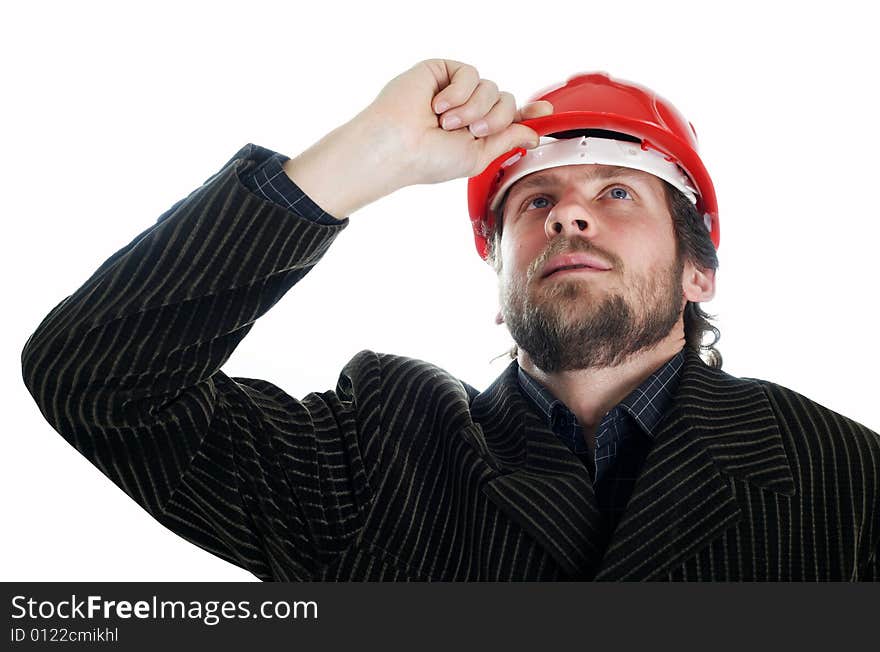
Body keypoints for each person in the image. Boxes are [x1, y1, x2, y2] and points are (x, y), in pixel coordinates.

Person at [21, 59, 879, 581]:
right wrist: (368, 155)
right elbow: (96, 381)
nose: (568, 216)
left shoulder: (846, 473)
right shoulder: (374, 445)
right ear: (501, 278)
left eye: (615, 194)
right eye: (534, 199)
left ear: (699, 271)